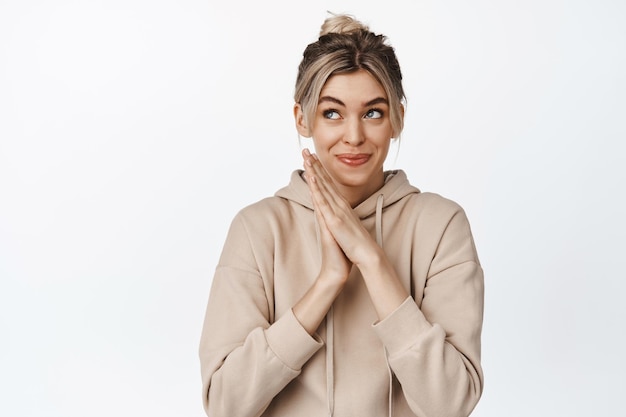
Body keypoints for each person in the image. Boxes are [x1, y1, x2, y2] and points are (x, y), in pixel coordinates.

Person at [199, 13, 484, 417]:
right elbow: (225, 404)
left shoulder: (441, 226)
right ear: (302, 118)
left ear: (397, 119)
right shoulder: (257, 229)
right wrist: (327, 282)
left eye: (373, 113)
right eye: (332, 113)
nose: (354, 136)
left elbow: (450, 404)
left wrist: (370, 259)